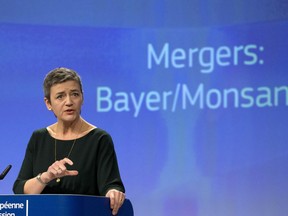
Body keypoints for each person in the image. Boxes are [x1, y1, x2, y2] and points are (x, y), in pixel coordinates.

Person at [13, 67, 126, 215]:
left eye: (74, 94)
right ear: (48, 103)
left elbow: (111, 186)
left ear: (82, 98)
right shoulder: (39, 138)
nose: (69, 102)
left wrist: (114, 193)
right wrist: (46, 177)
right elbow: (20, 189)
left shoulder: (99, 139)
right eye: (60, 96)